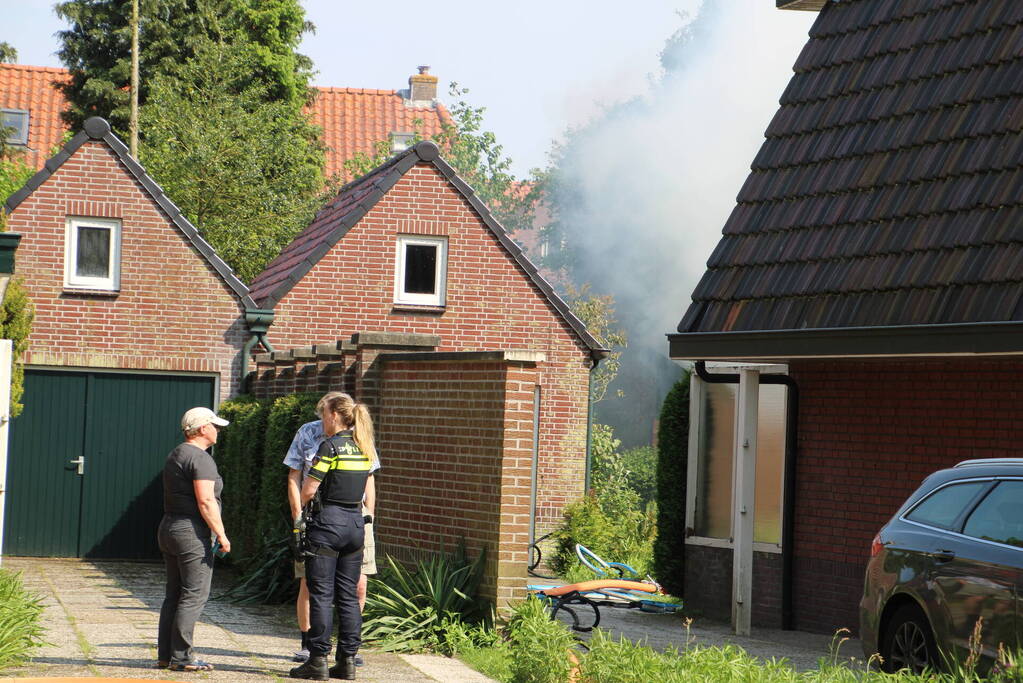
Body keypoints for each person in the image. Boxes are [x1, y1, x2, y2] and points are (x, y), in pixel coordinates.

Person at [284, 393, 379, 666]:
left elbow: (309, 488)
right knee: (347, 593)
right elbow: (366, 482)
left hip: (328, 523)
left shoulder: (331, 447)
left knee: (322, 591)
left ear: (334, 415)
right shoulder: (360, 444)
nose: (322, 418)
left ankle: (318, 659)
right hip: (354, 523)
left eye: (324, 413)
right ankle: (347, 659)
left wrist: (304, 507)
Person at [157, 406, 231, 673]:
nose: (218, 430)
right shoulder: (201, 459)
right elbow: (206, 500)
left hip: (170, 528)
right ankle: (183, 657)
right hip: (191, 533)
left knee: (174, 595)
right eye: (215, 426)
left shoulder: (176, 454)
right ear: (203, 429)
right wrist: (221, 534)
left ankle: (165, 655)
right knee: (193, 595)